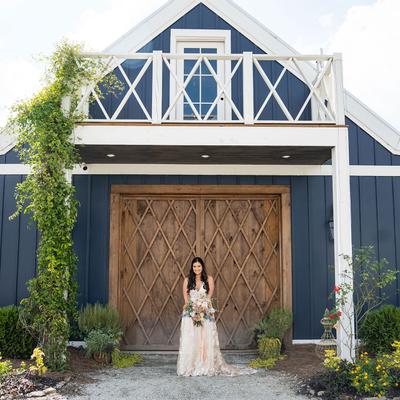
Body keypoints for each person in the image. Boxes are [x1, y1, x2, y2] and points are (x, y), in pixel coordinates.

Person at [176, 256, 258, 376]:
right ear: (192, 267)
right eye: (194, 266)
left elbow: (209, 296)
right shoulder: (187, 280)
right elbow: (186, 297)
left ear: (202, 267)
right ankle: (190, 365)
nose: (197, 268)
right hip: (190, 312)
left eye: (199, 266)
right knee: (191, 338)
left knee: (205, 338)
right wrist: (192, 309)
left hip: (205, 310)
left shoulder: (209, 279)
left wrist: (202, 307)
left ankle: (205, 364)